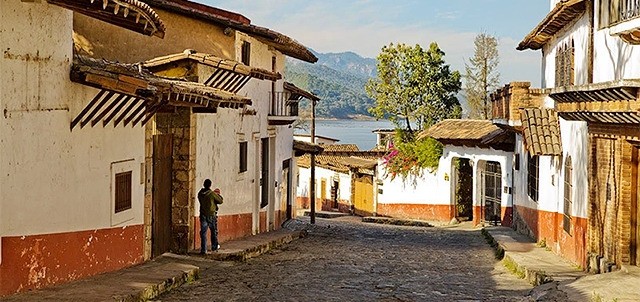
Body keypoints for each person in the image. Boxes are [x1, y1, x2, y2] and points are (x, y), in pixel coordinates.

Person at [197, 179, 223, 254]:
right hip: (211, 215)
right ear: (210, 185)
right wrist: (218, 195)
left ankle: (203, 249)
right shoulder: (211, 194)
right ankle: (214, 247)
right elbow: (220, 201)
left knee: (203, 233)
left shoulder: (200, 193)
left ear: (204, 184)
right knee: (213, 231)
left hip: (203, 215)